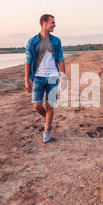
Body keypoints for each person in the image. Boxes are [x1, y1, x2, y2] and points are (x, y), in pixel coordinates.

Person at [25, 14, 67, 143]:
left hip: (53, 77)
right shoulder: (32, 41)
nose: (54, 25)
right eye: (52, 22)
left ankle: (47, 131)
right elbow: (28, 61)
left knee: (50, 105)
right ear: (44, 23)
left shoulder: (56, 41)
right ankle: (49, 119)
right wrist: (26, 80)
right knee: (37, 105)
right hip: (38, 77)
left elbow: (60, 59)